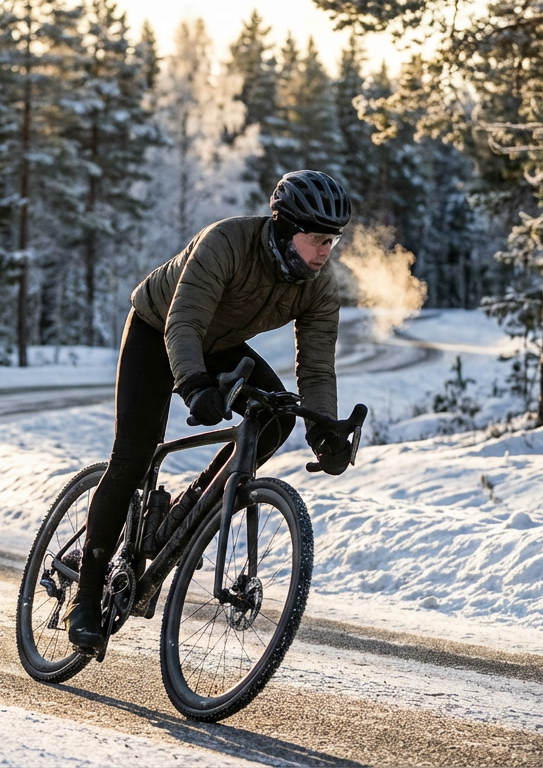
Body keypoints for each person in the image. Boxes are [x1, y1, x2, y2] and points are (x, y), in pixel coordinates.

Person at [67, 169, 356, 654]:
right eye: (316, 239)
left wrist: (323, 432)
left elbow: (317, 368)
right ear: (285, 229)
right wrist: (194, 385)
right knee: (134, 456)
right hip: (158, 330)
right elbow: (183, 322)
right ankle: (87, 592)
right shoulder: (225, 241)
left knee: (279, 414)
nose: (326, 251)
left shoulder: (319, 287)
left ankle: (194, 507)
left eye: (333, 240)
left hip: (219, 343)